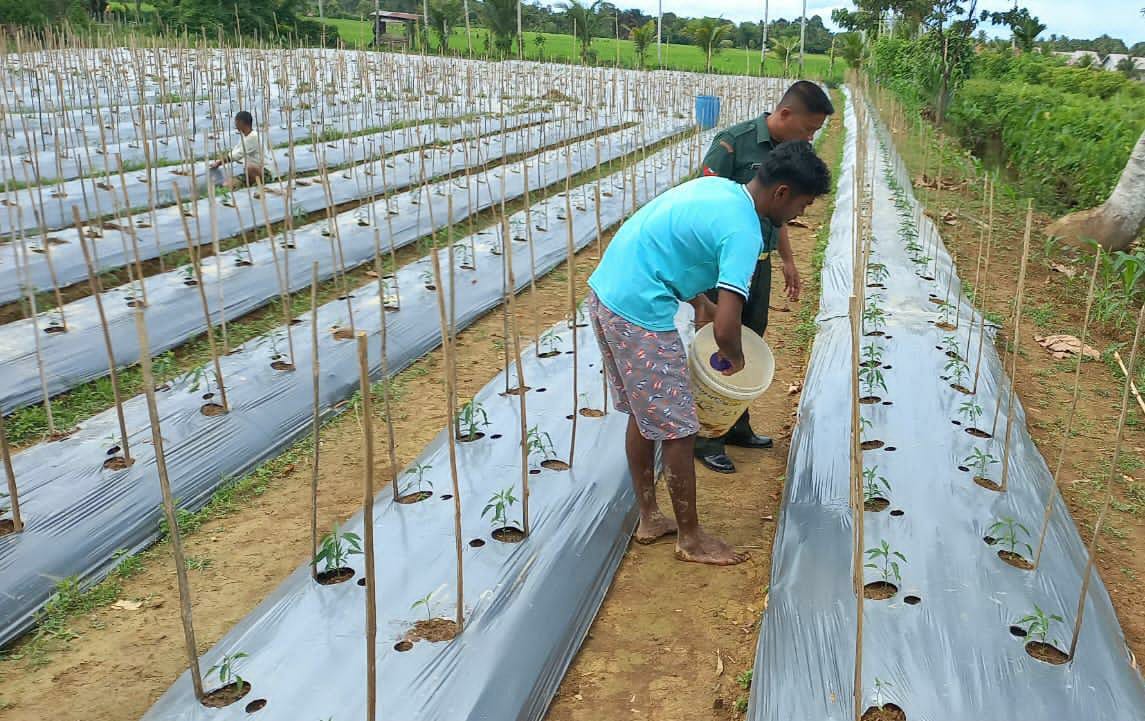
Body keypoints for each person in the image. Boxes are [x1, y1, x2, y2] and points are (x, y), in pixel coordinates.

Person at [587, 141, 831, 566]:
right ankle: (690, 537)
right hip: (638, 309)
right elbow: (726, 329)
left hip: (609, 291)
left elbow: (674, 243)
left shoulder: (721, 190)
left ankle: (649, 517)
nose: (800, 216)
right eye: (803, 204)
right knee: (680, 427)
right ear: (781, 193)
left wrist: (699, 300)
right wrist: (735, 359)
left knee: (645, 417)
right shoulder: (744, 231)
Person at [693, 80, 835, 474]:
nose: (810, 138)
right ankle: (707, 435)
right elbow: (711, 201)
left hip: (759, 260)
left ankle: (736, 423)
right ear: (785, 115)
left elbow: (777, 210)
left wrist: (787, 259)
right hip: (724, 264)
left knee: (751, 336)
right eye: (808, 129)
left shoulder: (792, 156)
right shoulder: (733, 143)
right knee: (719, 339)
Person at [210, 111, 266, 188]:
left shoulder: (254, 137)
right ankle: (247, 183)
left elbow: (237, 155)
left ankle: (258, 183)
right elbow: (234, 151)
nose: (235, 125)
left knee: (250, 168)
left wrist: (219, 163)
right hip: (248, 173)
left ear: (241, 123)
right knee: (226, 185)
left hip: (262, 171)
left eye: (236, 122)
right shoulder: (245, 136)